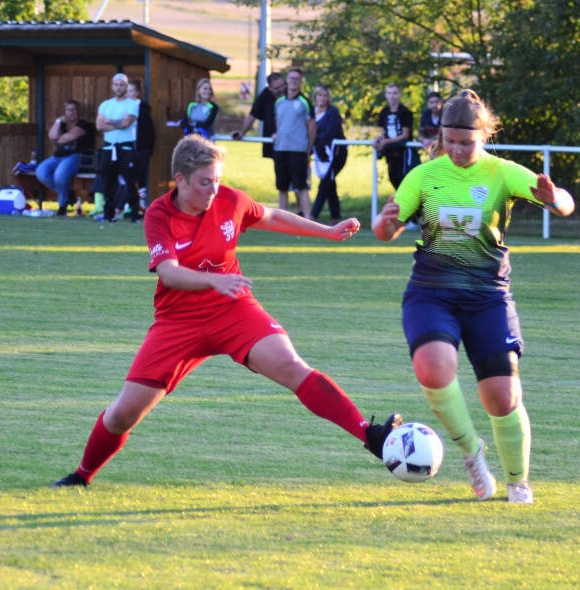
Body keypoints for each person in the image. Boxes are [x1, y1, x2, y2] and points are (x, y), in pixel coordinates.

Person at [52, 134, 402, 488]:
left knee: (292, 366)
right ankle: (83, 475)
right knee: (124, 414)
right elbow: (169, 274)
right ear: (181, 180)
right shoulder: (160, 213)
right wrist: (213, 280)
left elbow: (270, 215)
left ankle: (369, 434)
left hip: (233, 309)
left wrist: (327, 231)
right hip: (178, 321)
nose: (214, 190)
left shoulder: (230, 200)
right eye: (205, 182)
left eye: (217, 180)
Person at [372, 89, 576, 505]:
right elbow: (386, 230)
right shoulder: (424, 176)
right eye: (450, 140)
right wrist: (385, 223)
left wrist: (554, 199)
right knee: (432, 367)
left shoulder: (502, 173)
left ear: (484, 136)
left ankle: (517, 480)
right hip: (431, 293)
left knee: (502, 396)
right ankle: (471, 451)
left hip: (488, 297)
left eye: (466, 142)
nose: (458, 149)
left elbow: (566, 204)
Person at [35, 99, 95, 216]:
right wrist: (58, 121)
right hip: (58, 156)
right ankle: (67, 194)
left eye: (74, 110)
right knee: (41, 172)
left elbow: (67, 138)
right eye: (69, 110)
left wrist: (58, 139)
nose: (71, 112)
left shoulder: (84, 125)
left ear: (78, 111)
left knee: (59, 175)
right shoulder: (61, 125)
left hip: (77, 156)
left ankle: (62, 205)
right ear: (65, 112)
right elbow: (52, 136)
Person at [95, 73, 140, 223]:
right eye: (116, 84)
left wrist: (109, 122)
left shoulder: (132, 104)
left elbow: (126, 123)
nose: (119, 87)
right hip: (109, 148)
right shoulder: (105, 105)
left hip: (126, 148)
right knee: (108, 182)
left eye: (122, 85)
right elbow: (99, 125)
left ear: (126, 87)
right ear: (112, 86)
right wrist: (117, 124)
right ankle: (109, 215)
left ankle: (134, 214)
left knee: (130, 181)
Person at [273, 67, 316, 218]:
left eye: (297, 79)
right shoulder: (279, 102)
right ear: (287, 80)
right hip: (280, 149)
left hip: (298, 150)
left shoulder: (305, 102)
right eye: (291, 78)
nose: (293, 81)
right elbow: (279, 124)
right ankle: (282, 220)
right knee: (282, 187)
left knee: (301, 186)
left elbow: (312, 127)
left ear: (300, 81)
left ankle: (308, 218)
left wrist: (308, 149)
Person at [311, 84, 347, 223]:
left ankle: (313, 216)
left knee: (325, 182)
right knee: (330, 185)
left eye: (325, 95)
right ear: (315, 96)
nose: (322, 98)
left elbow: (329, 133)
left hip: (336, 154)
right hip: (320, 154)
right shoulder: (312, 112)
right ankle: (336, 217)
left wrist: (313, 139)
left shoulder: (333, 112)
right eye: (320, 95)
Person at [372, 82, 419, 190]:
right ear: (386, 95)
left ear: (400, 95)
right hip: (390, 152)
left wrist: (386, 142)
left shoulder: (405, 112)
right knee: (393, 178)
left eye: (394, 93)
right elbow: (383, 133)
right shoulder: (384, 112)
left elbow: (405, 135)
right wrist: (378, 139)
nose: (392, 96)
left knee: (405, 180)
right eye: (389, 93)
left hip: (403, 152)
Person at [232, 72, 286, 159]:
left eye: (283, 85)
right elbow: (253, 115)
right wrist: (242, 132)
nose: (282, 89)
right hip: (272, 142)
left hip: (290, 143)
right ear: (270, 88)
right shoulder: (265, 95)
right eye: (277, 88)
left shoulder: (292, 92)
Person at [127, 79, 155, 211]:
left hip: (141, 147)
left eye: (131, 91)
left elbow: (148, 130)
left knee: (141, 174)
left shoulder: (142, 108)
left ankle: (142, 204)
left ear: (137, 93)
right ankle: (128, 203)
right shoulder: (124, 107)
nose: (129, 94)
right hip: (127, 146)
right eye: (127, 91)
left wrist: (148, 147)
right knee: (128, 175)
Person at [418, 91, 443, 157]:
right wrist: (424, 140)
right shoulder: (425, 115)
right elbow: (420, 135)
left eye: (436, 102)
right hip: (432, 151)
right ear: (428, 104)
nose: (434, 105)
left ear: (441, 102)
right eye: (431, 102)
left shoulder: (447, 115)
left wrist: (432, 140)